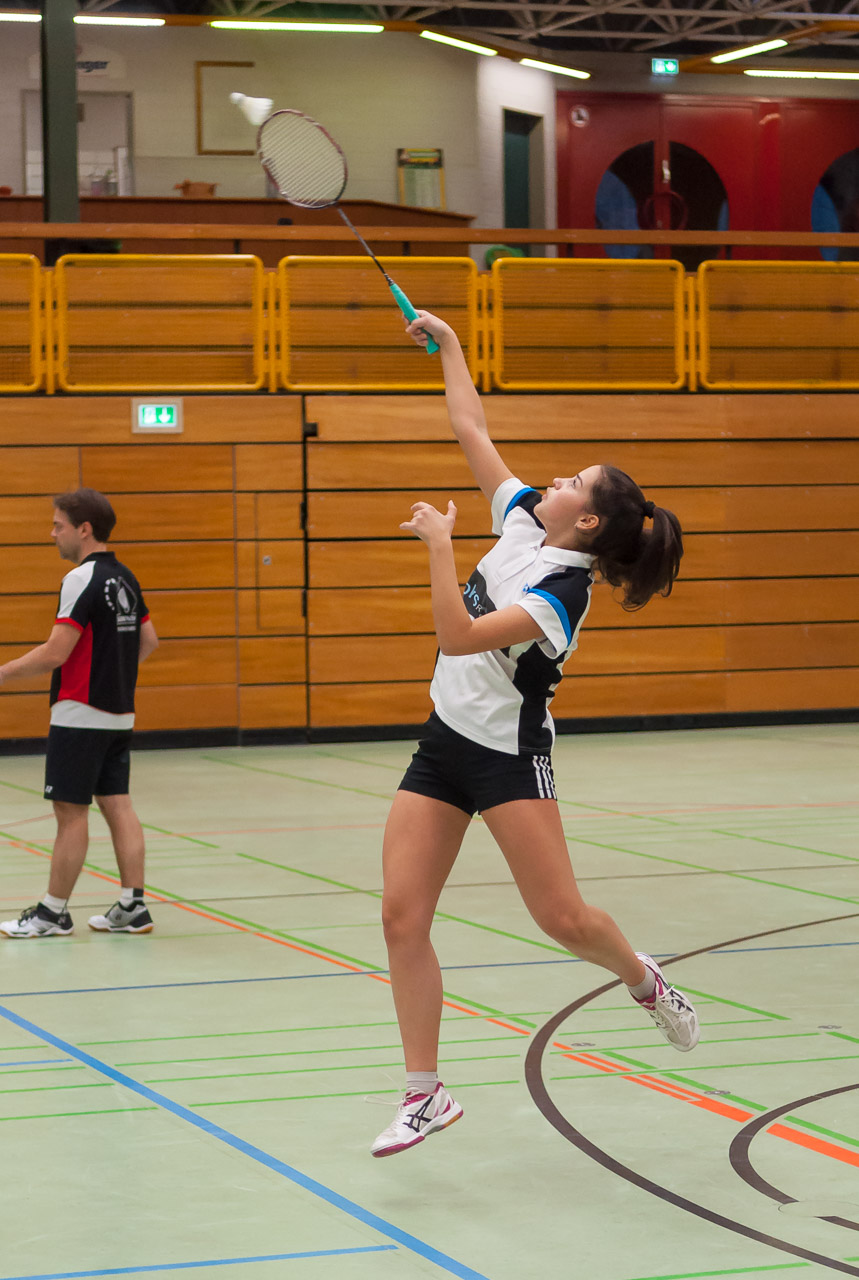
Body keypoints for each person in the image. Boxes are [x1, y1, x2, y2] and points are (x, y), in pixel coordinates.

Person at [370, 311, 699, 1158]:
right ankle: (424, 1093)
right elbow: (470, 427)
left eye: (572, 481)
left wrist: (439, 546)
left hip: (509, 759)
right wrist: (449, 344)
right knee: (401, 916)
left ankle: (641, 977)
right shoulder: (523, 517)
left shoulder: (562, 591)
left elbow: (456, 637)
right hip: (443, 744)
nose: (553, 479)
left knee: (562, 918)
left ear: (585, 523)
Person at [0, 488, 158, 938]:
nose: (53, 534)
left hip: (79, 714)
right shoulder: (126, 578)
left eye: (58, 526)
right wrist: (114, 676)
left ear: (84, 529)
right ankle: (133, 907)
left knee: (70, 812)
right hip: (119, 714)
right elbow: (148, 641)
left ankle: (52, 913)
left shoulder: (80, 578)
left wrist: (3, 673)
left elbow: (56, 652)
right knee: (118, 803)